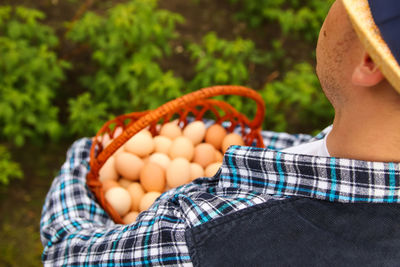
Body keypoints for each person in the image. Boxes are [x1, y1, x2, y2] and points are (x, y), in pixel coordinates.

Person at [40, 0, 400, 266]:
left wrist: (85, 155)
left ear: (369, 59)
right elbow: (309, 159)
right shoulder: (363, 153)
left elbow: (67, 253)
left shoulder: (208, 235)